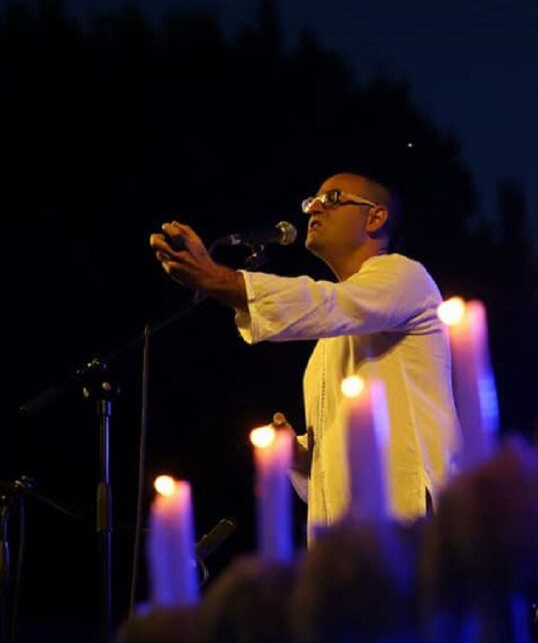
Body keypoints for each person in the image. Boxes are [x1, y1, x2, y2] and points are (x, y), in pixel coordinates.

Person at [149, 173, 460, 538]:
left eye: (332, 199)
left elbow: (324, 303)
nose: (314, 207)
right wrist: (298, 457)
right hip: (347, 541)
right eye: (312, 200)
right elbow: (333, 469)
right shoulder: (334, 339)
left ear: (375, 218)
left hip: (405, 524)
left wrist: (216, 278)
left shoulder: (405, 276)